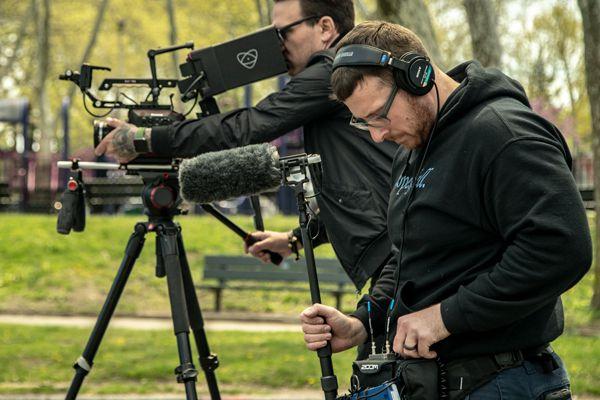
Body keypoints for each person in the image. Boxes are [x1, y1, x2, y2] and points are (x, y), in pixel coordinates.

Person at [300, 21, 592, 399]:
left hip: (502, 382)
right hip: (437, 383)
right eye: (364, 123)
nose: (377, 135)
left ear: (418, 77)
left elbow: (561, 247)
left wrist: (445, 317)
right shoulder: (411, 151)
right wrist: (362, 323)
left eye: (380, 115)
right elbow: (406, 257)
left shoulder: (504, 133)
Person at [94, 2, 398, 299]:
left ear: (325, 27)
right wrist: (293, 240)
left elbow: (247, 127)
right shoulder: (345, 73)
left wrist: (144, 138)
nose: (277, 46)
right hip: (395, 247)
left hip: (397, 252)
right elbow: (359, 190)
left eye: (283, 33)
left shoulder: (332, 72)